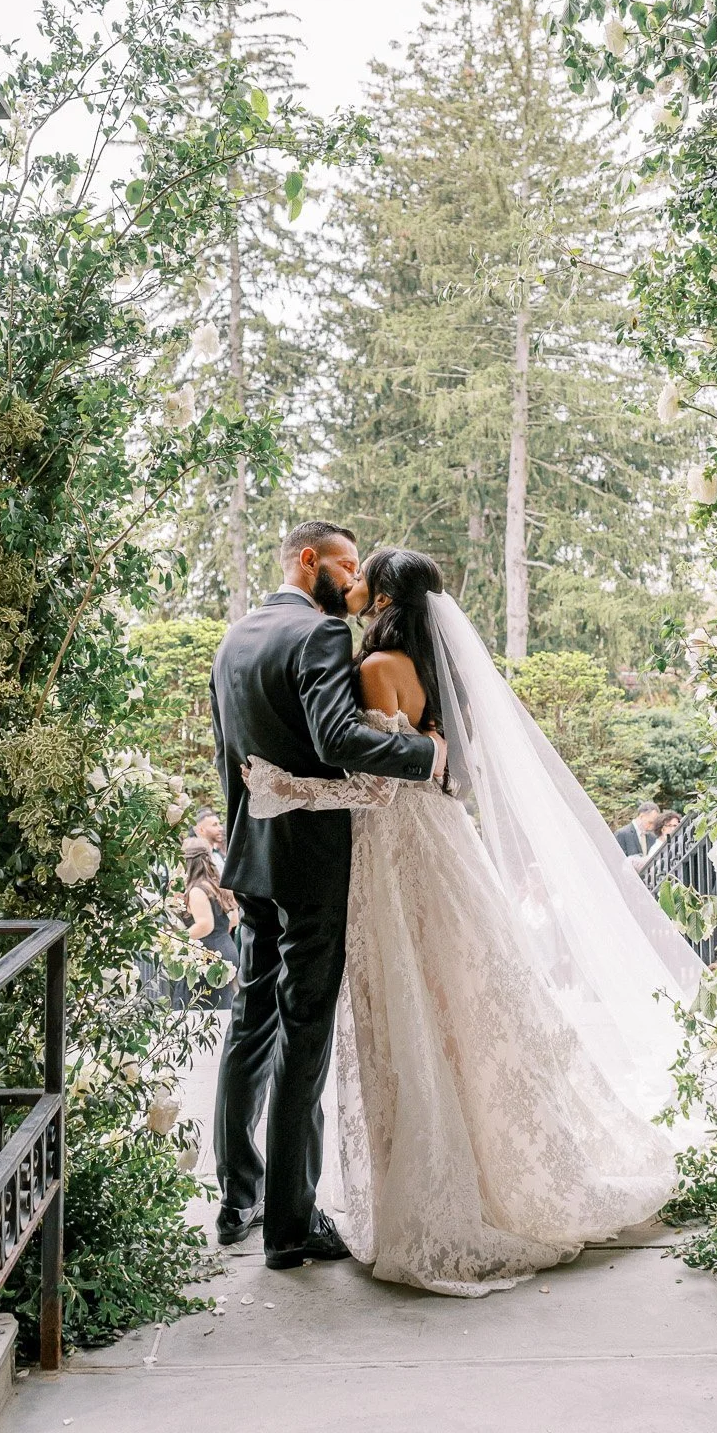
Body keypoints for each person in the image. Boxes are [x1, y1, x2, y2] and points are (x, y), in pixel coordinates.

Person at [243, 545, 704, 1297]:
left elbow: (373, 785)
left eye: (364, 579)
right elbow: (435, 760)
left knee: (410, 1009)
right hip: (444, 842)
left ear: (386, 599)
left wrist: (282, 788)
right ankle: (495, 1164)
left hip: (395, 856)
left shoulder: (371, 669)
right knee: (460, 1002)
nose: (353, 587)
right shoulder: (438, 674)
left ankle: (434, 1186)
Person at [209, 520, 447, 1269]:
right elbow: (340, 738)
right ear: (306, 560)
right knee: (303, 1036)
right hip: (312, 862)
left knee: (250, 1025)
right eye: (345, 566)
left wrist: (243, 840)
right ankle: (288, 1226)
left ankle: (237, 1197)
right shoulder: (316, 638)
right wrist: (427, 752)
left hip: (253, 858)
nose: (353, 583)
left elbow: (230, 758)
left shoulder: (236, 637)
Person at [182, 835, 238, 1007]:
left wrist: (177, 938)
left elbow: (205, 925)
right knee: (221, 1007)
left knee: (198, 1009)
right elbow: (234, 919)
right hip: (226, 948)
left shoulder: (198, 889)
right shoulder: (217, 884)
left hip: (208, 956)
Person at [616, 801, 662, 865]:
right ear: (641, 816)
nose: (652, 827)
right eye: (650, 822)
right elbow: (618, 862)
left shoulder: (652, 837)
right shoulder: (622, 834)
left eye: (655, 824)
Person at [194, 808, 226, 874]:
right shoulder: (195, 857)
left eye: (219, 824)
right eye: (215, 825)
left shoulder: (218, 854)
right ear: (201, 830)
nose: (221, 828)